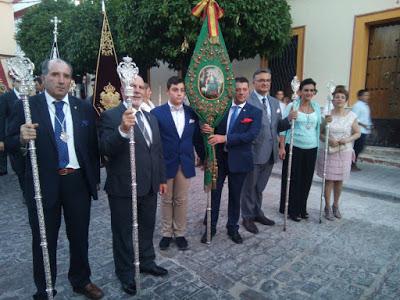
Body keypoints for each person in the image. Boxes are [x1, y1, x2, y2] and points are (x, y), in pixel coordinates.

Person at [5, 59, 103, 300]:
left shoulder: (83, 107)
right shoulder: (27, 106)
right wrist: (20, 138)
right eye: (56, 75)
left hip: (77, 182)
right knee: (44, 240)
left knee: (79, 236)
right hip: (44, 184)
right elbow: (7, 142)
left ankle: (81, 280)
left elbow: (92, 147)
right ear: (43, 78)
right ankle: (45, 288)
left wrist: (93, 179)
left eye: (66, 76)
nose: (61, 80)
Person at [99, 75, 168, 296]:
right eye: (132, 86)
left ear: (147, 91)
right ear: (122, 88)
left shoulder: (151, 118)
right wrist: (121, 130)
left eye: (141, 87)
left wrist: (161, 178)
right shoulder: (110, 116)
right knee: (124, 232)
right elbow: (104, 149)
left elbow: (157, 152)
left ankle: (147, 261)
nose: (137, 90)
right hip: (122, 187)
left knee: (147, 226)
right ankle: (126, 272)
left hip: (149, 185)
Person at [201, 77, 262, 243]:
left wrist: (225, 138)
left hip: (240, 161)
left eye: (244, 89)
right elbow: (212, 127)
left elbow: (250, 136)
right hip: (219, 160)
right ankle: (211, 228)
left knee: (235, 197)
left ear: (248, 91)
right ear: (232, 91)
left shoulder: (255, 112)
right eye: (237, 89)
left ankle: (232, 228)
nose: (241, 92)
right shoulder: (222, 109)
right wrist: (207, 128)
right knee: (215, 194)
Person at [151, 76, 204, 251]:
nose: (179, 93)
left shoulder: (192, 113)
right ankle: (166, 233)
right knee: (166, 200)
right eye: (175, 90)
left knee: (181, 200)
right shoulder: (157, 113)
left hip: (185, 163)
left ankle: (180, 233)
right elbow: (154, 142)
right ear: (168, 91)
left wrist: (204, 157)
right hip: (165, 164)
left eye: (182, 90)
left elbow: (196, 138)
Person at [240, 69, 295, 234]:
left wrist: (289, 120)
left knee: (260, 187)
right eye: (261, 80)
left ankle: (257, 212)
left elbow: (277, 126)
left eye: (268, 80)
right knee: (249, 187)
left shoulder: (274, 102)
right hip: (254, 151)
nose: (265, 83)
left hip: (270, 152)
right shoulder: (247, 101)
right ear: (254, 82)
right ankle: (247, 217)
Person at [279, 78, 321, 222]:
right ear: (300, 91)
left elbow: (318, 128)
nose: (309, 93)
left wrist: (328, 124)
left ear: (314, 92)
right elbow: (283, 127)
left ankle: (302, 208)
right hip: (294, 147)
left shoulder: (317, 107)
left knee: (307, 180)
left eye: (311, 90)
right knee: (293, 179)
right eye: (306, 90)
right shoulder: (293, 105)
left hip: (312, 147)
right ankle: (292, 209)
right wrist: (281, 146)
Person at [316, 86, 360, 220]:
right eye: (337, 97)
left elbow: (357, 133)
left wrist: (347, 139)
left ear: (346, 100)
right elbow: (320, 133)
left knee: (339, 181)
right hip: (329, 150)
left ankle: (336, 205)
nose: (339, 99)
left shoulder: (352, 116)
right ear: (333, 99)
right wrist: (328, 139)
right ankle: (327, 207)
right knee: (329, 180)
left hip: (344, 151)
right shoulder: (327, 114)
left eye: (342, 97)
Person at [351, 89, 372, 171]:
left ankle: (353, 163)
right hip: (359, 131)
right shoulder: (357, 105)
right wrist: (364, 125)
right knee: (357, 148)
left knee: (360, 148)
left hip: (365, 130)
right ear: (360, 96)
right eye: (365, 95)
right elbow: (354, 118)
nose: (367, 97)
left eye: (368, 95)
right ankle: (352, 164)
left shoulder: (365, 105)